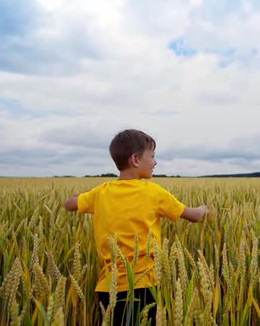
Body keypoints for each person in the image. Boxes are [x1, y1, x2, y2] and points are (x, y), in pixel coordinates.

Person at [63, 129, 209, 325]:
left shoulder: (101, 192)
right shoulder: (154, 193)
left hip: (109, 289)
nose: (155, 162)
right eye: (153, 156)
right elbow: (193, 216)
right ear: (135, 160)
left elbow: (69, 204)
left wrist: (91, 194)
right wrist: (204, 209)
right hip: (146, 286)